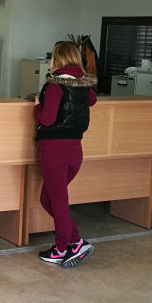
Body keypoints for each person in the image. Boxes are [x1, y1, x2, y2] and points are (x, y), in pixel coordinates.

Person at [34, 41, 98, 268]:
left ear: (57, 59)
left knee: (58, 203)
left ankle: (62, 248)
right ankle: (75, 241)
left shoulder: (54, 85)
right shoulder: (84, 84)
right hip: (75, 150)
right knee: (48, 199)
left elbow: (47, 119)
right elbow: (92, 100)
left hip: (54, 151)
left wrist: (37, 106)